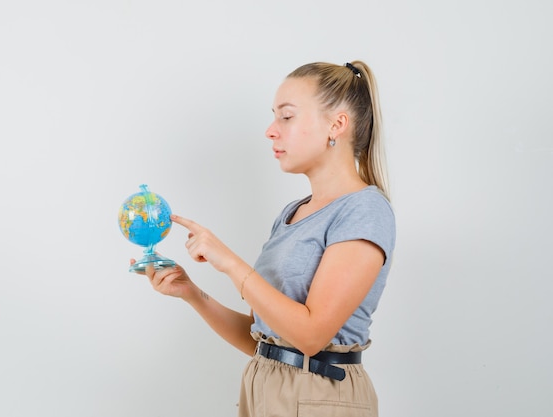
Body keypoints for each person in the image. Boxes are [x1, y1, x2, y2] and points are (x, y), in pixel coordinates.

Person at [134, 60, 396, 417]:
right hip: (264, 389)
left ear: (337, 124)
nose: (271, 131)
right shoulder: (292, 213)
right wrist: (192, 293)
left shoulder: (365, 210)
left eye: (286, 117)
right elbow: (264, 340)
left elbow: (311, 336)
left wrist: (228, 262)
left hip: (320, 395)